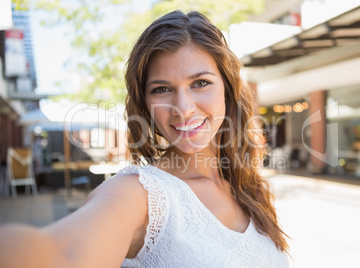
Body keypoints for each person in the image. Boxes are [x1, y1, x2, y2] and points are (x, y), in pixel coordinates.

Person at [0, 10, 289, 268]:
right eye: (162, 89)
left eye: (200, 83)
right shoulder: (140, 195)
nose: (184, 107)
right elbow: (61, 252)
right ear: (145, 105)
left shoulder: (248, 186)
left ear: (227, 89)